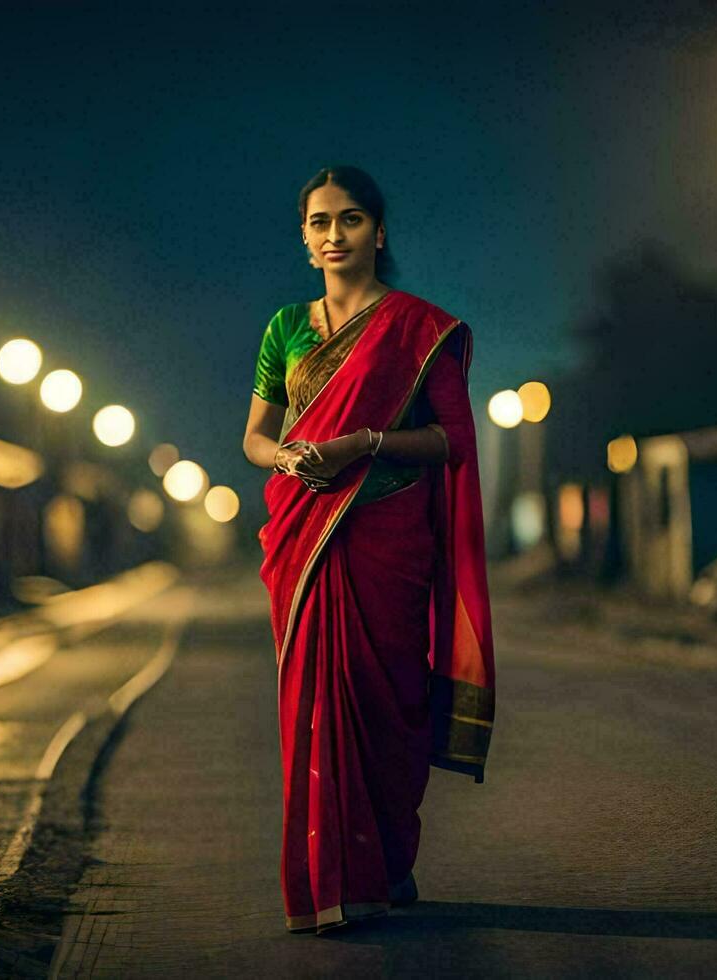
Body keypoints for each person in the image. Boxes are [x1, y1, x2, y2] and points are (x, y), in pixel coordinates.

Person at [241, 165, 496, 934]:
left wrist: (365, 442)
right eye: (319, 222)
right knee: (313, 706)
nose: (334, 234)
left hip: (388, 538)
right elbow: (254, 437)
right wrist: (289, 458)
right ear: (304, 239)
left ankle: (388, 861)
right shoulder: (285, 327)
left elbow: (453, 440)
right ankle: (326, 880)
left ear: (378, 233)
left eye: (350, 220)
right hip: (303, 536)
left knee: (391, 704)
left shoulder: (421, 329)